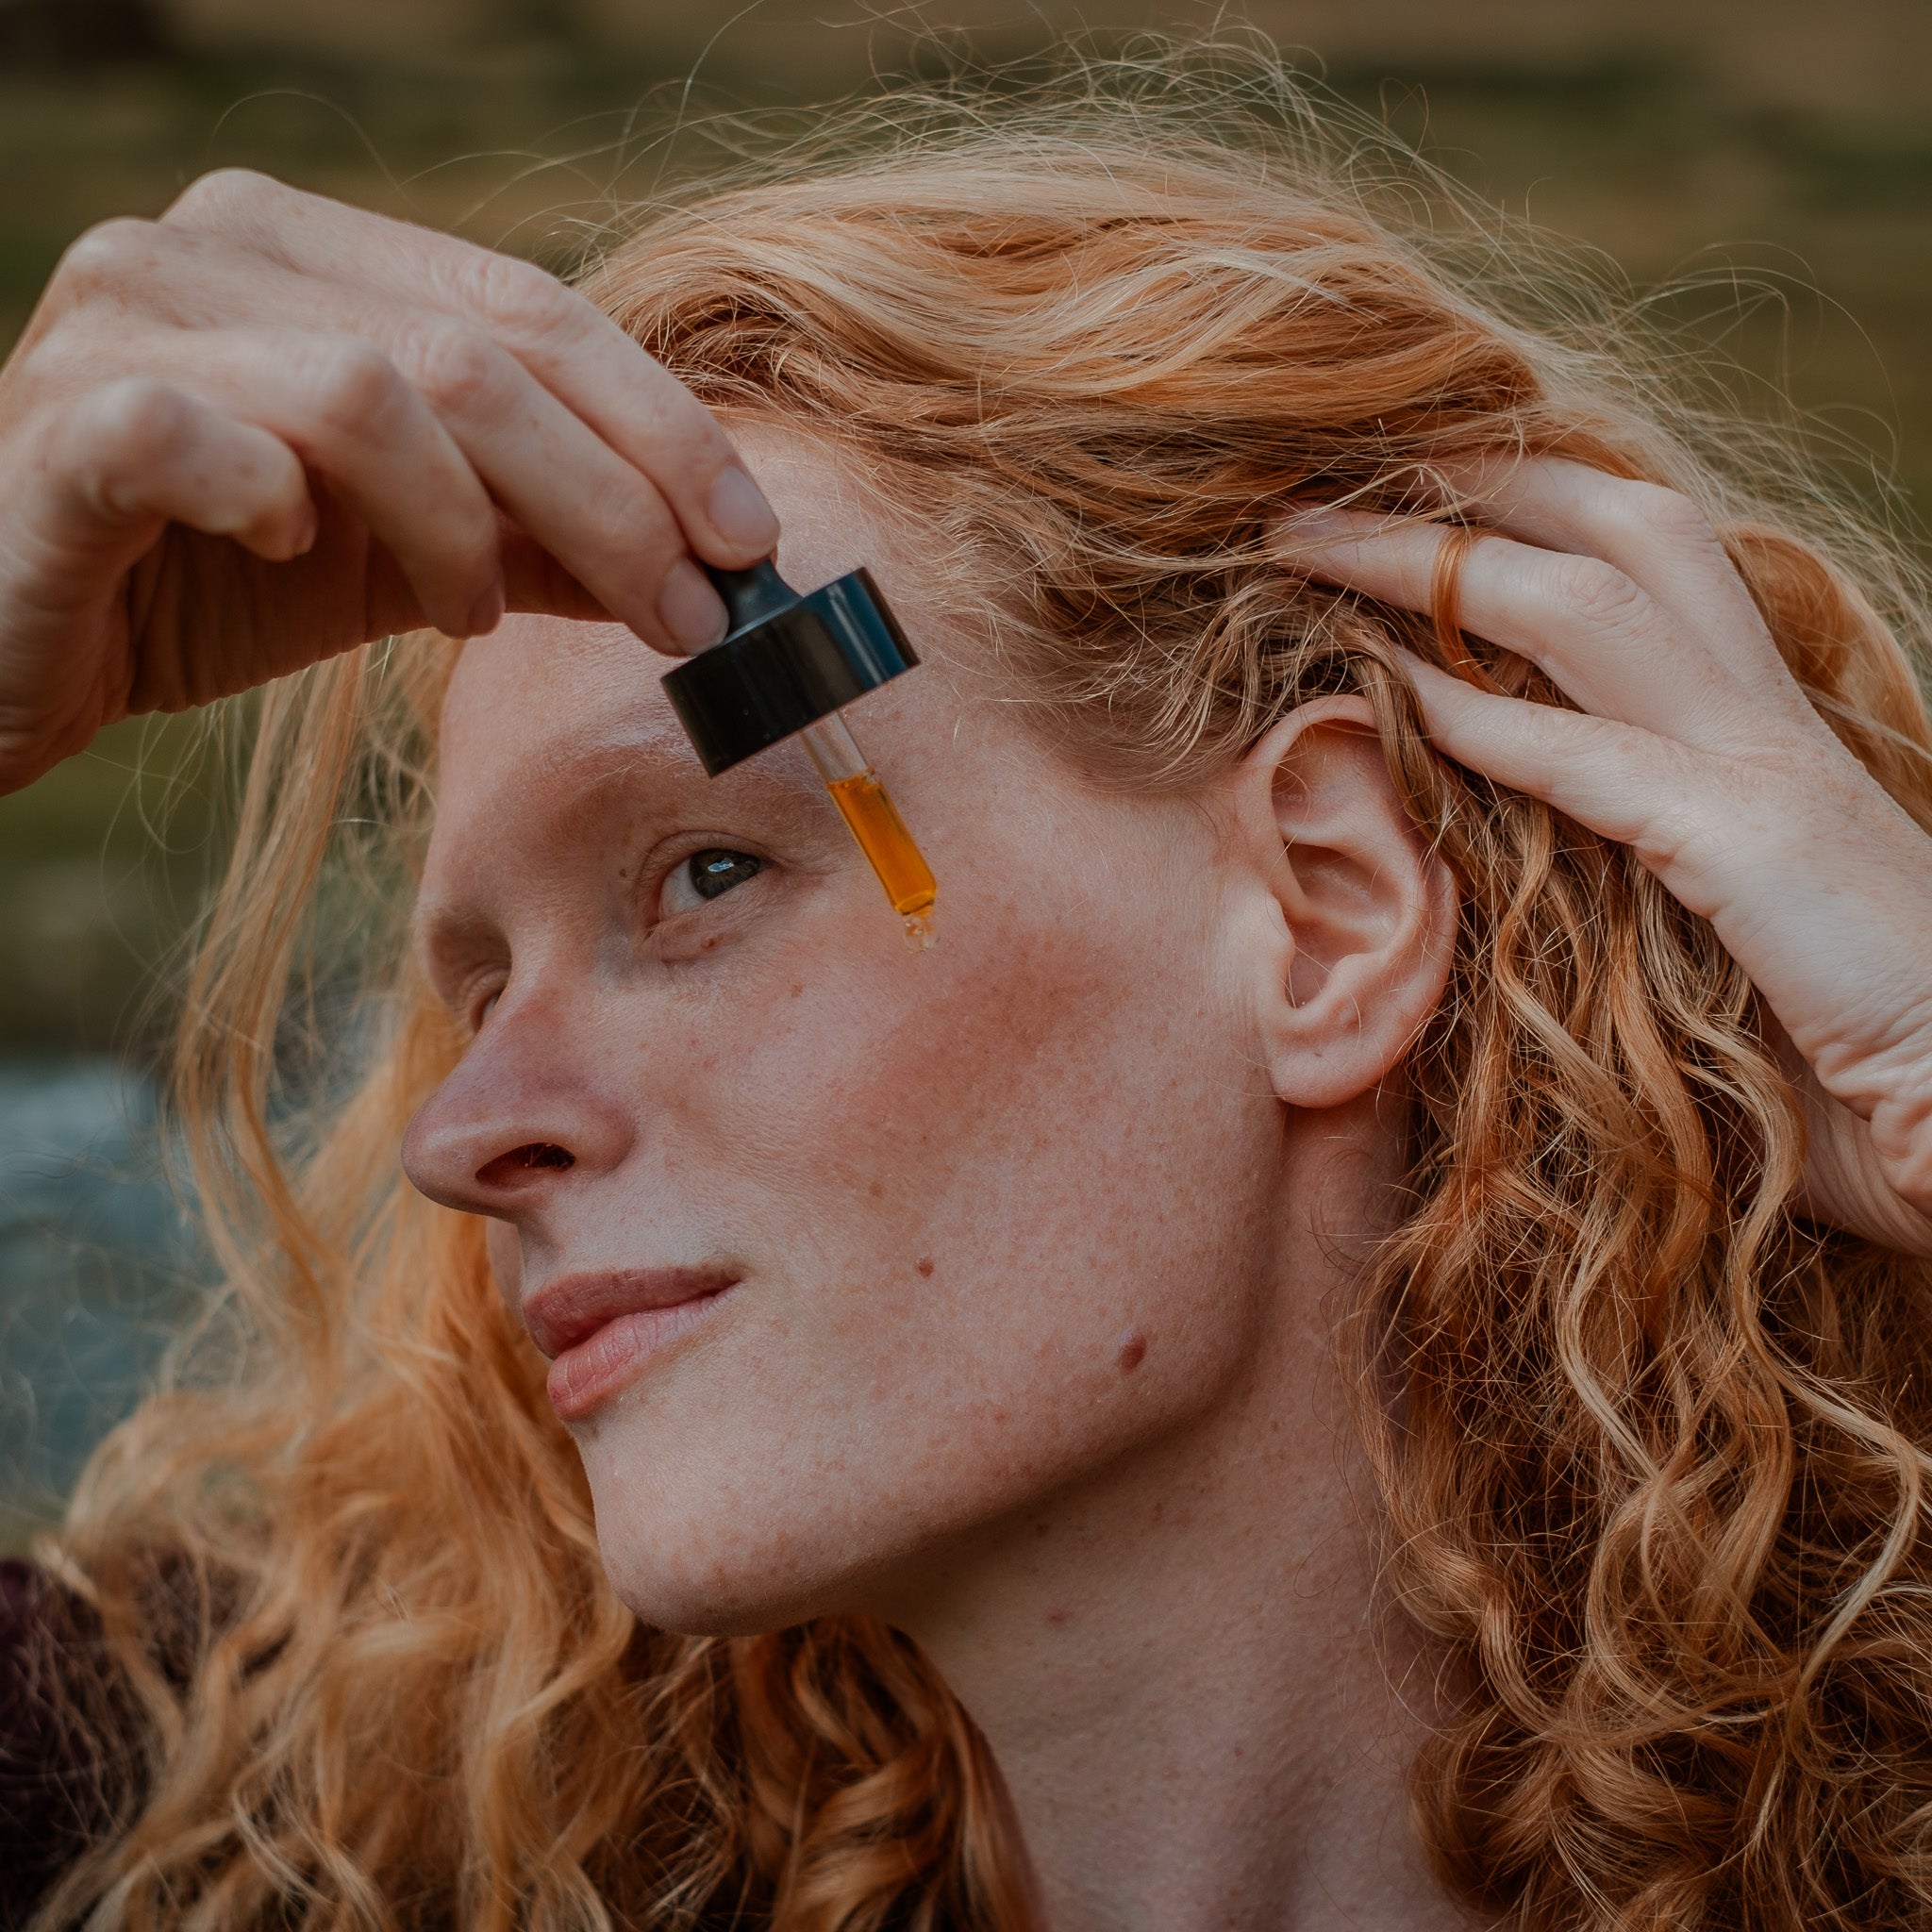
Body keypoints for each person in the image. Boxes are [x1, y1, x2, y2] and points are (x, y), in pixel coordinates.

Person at [3, 50, 1931, 1932]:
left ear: (1325, 908)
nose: (457, 1133)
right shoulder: (231, 1813)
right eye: (476, 979)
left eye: (706, 872)